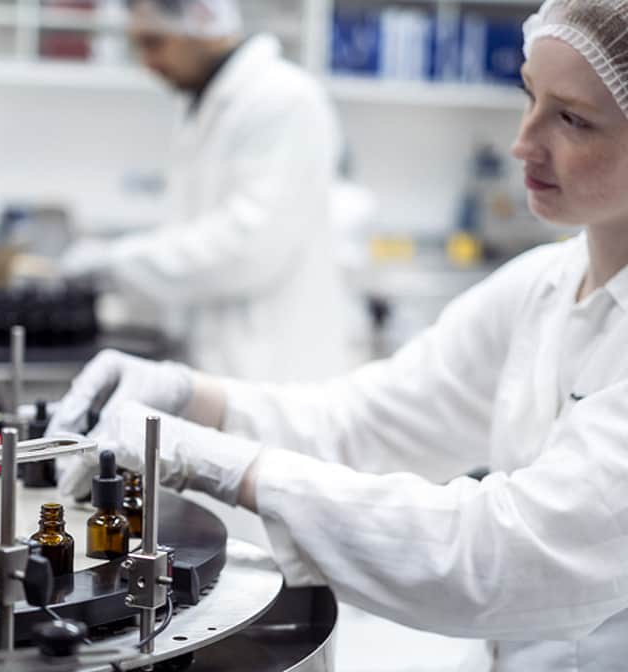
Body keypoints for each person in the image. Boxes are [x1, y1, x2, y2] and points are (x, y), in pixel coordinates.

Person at [52, 0, 628, 668]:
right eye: (530, 96)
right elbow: (373, 421)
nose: (523, 143)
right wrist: (197, 398)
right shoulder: (544, 284)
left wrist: (225, 464)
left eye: (573, 119)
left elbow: (500, 557)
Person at [59, 0, 348, 382]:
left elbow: (246, 249)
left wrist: (118, 263)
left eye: (155, 42)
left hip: (271, 372)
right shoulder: (202, 104)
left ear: (206, 25)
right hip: (218, 366)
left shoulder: (285, 99)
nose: (147, 62)